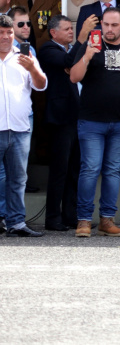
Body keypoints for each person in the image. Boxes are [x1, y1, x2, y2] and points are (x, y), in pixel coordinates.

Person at [69, 7, 120, 237]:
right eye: (106, 24)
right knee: (90, 169)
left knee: (112, 171)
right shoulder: (89, 46)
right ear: (100, 24)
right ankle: (84, 221)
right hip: (91, 121)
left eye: (114, 25)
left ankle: (107, 220)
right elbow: (74, 77)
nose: (109, 29)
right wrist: (87, 55)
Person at [0, 13, 47, 237]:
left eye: (9, 33)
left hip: (19, 129)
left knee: (18, 179)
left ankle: (16, 223)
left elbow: (41, 85)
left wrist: (33, 69)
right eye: (1, 33)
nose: (6, 37)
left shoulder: (24, 56)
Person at [38, 15, 80, 231]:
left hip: (78, 117)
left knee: (74, 170)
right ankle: (53, 218)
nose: (71, 32)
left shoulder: (68, 49)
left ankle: (70, 216)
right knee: (59, 170)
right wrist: (81, 41)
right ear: (53, 32)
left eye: (71, 29)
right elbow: (67, 62)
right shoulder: (47, 49)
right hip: (61, 120)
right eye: (66, 29)